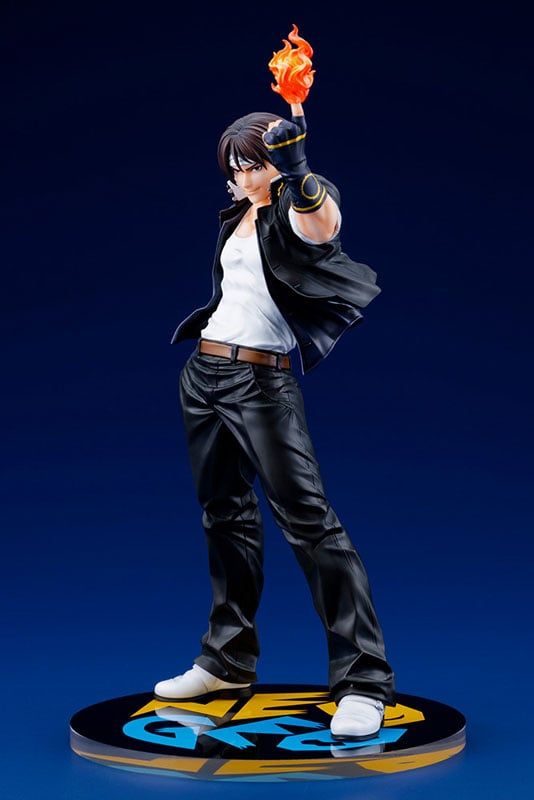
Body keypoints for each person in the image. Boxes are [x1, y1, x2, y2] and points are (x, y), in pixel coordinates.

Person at [154, 107, 396, 739]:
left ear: (273, 163)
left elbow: (322, 226)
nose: (238, 175)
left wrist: (298, 168)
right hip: (203, 375)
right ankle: (226, 660)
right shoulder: (238, 214)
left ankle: (364, 681)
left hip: (261, 382)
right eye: (233, 166)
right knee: (224, 516)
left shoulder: (295, 201)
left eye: (250, 164)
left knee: (311, 523)